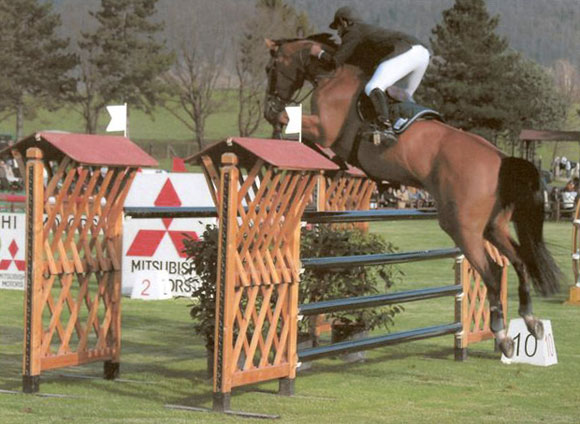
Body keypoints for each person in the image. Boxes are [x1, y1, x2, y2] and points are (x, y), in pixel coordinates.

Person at [310, 6, 430, 141]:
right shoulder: (364, 32)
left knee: (373, 87)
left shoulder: (353, 32)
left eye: (338, 27)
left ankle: (384, 128)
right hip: (423, 54)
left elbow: (335, 62)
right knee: (400, 98)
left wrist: (318, 53)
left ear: (344, 22)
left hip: (407, 51)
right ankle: (408, 133)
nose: (338, 32)